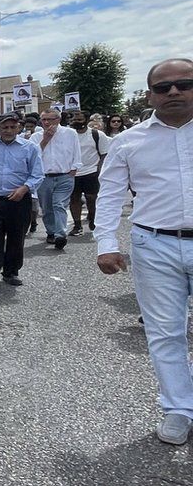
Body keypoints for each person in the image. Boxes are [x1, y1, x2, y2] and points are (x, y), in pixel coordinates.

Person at [95, 58, 193, 445]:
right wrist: (106, 244)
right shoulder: (129, 141)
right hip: (154, 244)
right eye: (163, 87)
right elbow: (110, 195)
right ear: (150, 94)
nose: (173, 92)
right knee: (165, 333)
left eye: (184, 84)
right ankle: (178, 409)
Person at [0, 114, 44, 289]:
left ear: (19, 128)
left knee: (16, 237)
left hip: (18, 200)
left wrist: (24, 188)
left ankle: (11, 272)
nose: (9, 131)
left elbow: (37, 174)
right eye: (5, 127)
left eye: (13, 127)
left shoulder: (30, 148)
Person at [31, 110, 82, 250]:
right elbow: (33, 156)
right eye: (43, 120)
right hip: (44, 177)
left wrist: (75, 167)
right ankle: (51, 231)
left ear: (58, 120)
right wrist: (45, 139)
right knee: (47, 208)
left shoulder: (70, 133)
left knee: (59, 204)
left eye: (50, 119)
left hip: (65, 175)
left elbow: (76, 151)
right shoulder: (36, 137)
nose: (46, 123)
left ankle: (60, 234)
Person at [69, 111, 111, 236]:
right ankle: (77, 225)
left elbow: (104, 153)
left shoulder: (97, 135)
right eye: (74, 119)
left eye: (80, 119)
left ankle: (92, 218)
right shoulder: (68, 135)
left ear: (86, 120)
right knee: (74, 199)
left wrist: (99, 169)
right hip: (72, 173)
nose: (76, 122)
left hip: (91, 172)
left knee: (91, 198)